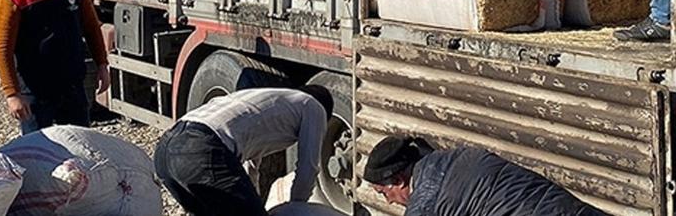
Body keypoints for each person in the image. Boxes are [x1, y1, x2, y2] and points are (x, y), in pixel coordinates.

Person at [0, 0, 110, 133]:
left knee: (79, 146)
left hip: (72, 85)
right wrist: (12, 94)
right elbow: (3, 49)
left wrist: (102, 64)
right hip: (35, 90)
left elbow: (91, 26)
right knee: (38, 153)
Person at [153, 86, 335, 216]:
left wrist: (253, 204)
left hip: (164, 153)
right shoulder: (313, 106)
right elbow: (308, 168)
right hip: (200, 148)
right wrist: (295, 208)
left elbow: (250, 170)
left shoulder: (271, 102)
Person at [363, 135, 607, 215]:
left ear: (398, 180)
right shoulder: (459, 155)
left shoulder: (426, 204)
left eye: (384, 193)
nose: (390, 202)